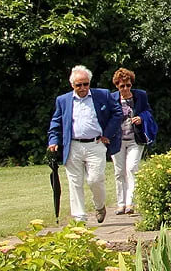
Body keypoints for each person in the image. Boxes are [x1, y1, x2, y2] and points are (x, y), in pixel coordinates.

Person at [47, 65, 123, 223]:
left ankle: (99, 205)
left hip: (95, 144)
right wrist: (54, 140)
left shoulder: (102, 95)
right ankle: (79, 218)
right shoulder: (63, 100)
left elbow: (117, 112)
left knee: (95, 179)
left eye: (85, 84)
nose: (82, 88)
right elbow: (56, 121)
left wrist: (107, 134)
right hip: (73, 145)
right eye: (78, 85)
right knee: (75, 182)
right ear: (72, 85)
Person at [109, 68, 158, 215]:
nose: (125, 88)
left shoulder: (140, 96)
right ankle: (120, 203)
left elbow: (148, 111)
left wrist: (141, 118)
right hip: (117, 140)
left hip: (135, 139)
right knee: (119, 172)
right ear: (117, 86)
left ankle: (130, 203)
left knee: (131, 168)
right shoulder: (112, 98)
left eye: (128, 85)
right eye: (122, 86)